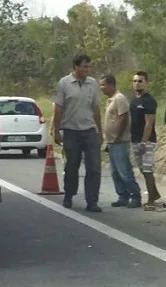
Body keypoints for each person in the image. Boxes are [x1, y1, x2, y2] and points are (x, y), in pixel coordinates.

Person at [53, 53, 103, 212]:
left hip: (89, 130)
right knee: (72, 166)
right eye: (84, 66)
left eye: (89, 66)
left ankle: (92, 201)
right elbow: (58, 108)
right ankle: (69, 195)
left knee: (94, 167)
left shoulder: (92, 83)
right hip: (71, 131)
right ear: (76, 67)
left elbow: (96, 108)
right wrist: (56, 130)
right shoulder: (64, 83)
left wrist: (100, 131)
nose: (88, 69)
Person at [99, 74, 142, 208]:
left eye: (103, 85)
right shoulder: (110, 100)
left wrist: (118, 136)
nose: (101, 88)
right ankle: (122, 196)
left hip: (120, 141)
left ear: (111, 85)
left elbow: (123, 118)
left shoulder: (119, 98)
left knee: (124, 170)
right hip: (111, 141)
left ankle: (135, 196)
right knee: (115, 172)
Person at [130, 71, 162, 210]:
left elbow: (149, 123)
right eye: (135, 81)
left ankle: (151, 200)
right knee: (142, 169)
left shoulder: (149, 101)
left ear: (146, 83)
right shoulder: (134, 100)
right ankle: (155, 194)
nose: (137, 83)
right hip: (134, 139)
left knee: (148, 170)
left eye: (140, 81)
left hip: (146, 141)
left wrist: (144, 141)